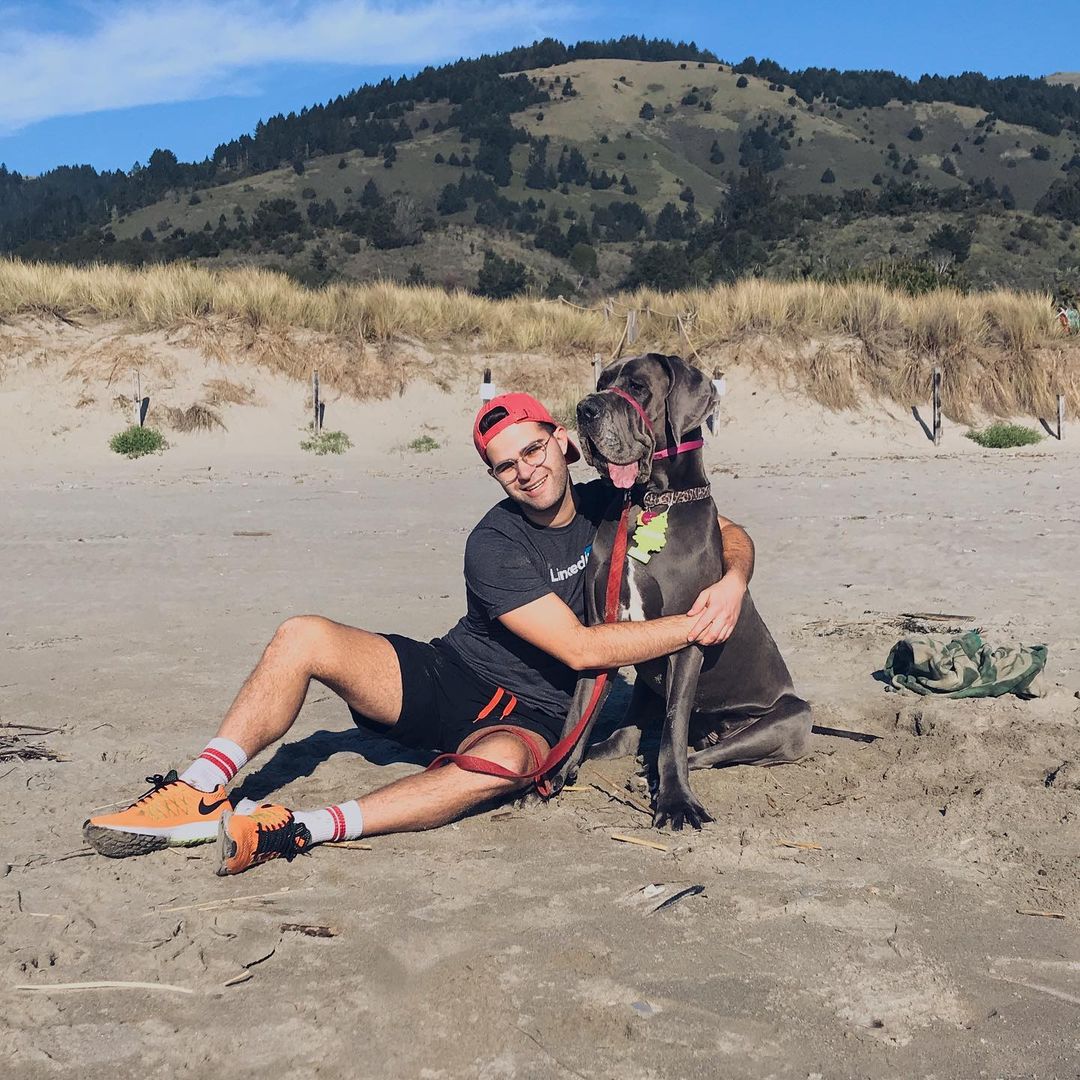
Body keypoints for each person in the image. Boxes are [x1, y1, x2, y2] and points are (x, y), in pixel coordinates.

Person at [84, 393, 754, 875]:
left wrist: (733, 583)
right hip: (451, 679)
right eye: (505, 465)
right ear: (494, 477)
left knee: (505, 767)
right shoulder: (493, 542)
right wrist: (692, 626)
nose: (525, 470)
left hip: (537, 714)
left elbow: (723, 530)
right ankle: (201, 789)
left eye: (533, 449)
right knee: (303, 634)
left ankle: (301, 828)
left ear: (562, 442)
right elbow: (580, 648)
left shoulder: (615, 505)